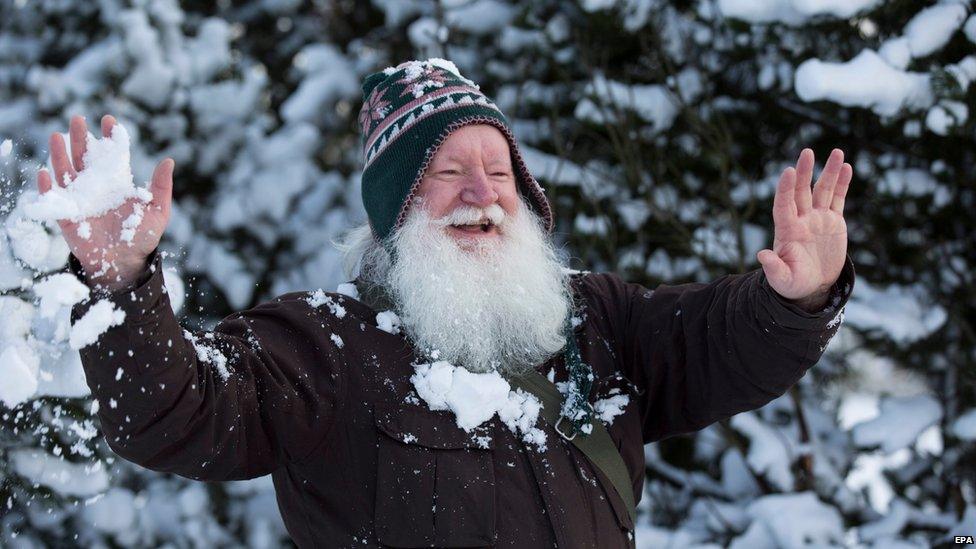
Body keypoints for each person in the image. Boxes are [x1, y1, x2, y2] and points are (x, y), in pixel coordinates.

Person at [50, 59, 855, 548]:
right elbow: (179, 413)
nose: (482, 193)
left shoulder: (597, 321)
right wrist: (121, 285)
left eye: (500, 173)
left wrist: (796, 297)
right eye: (446, 172)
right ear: (397, 207)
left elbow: (717, 343)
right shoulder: (324, 345)